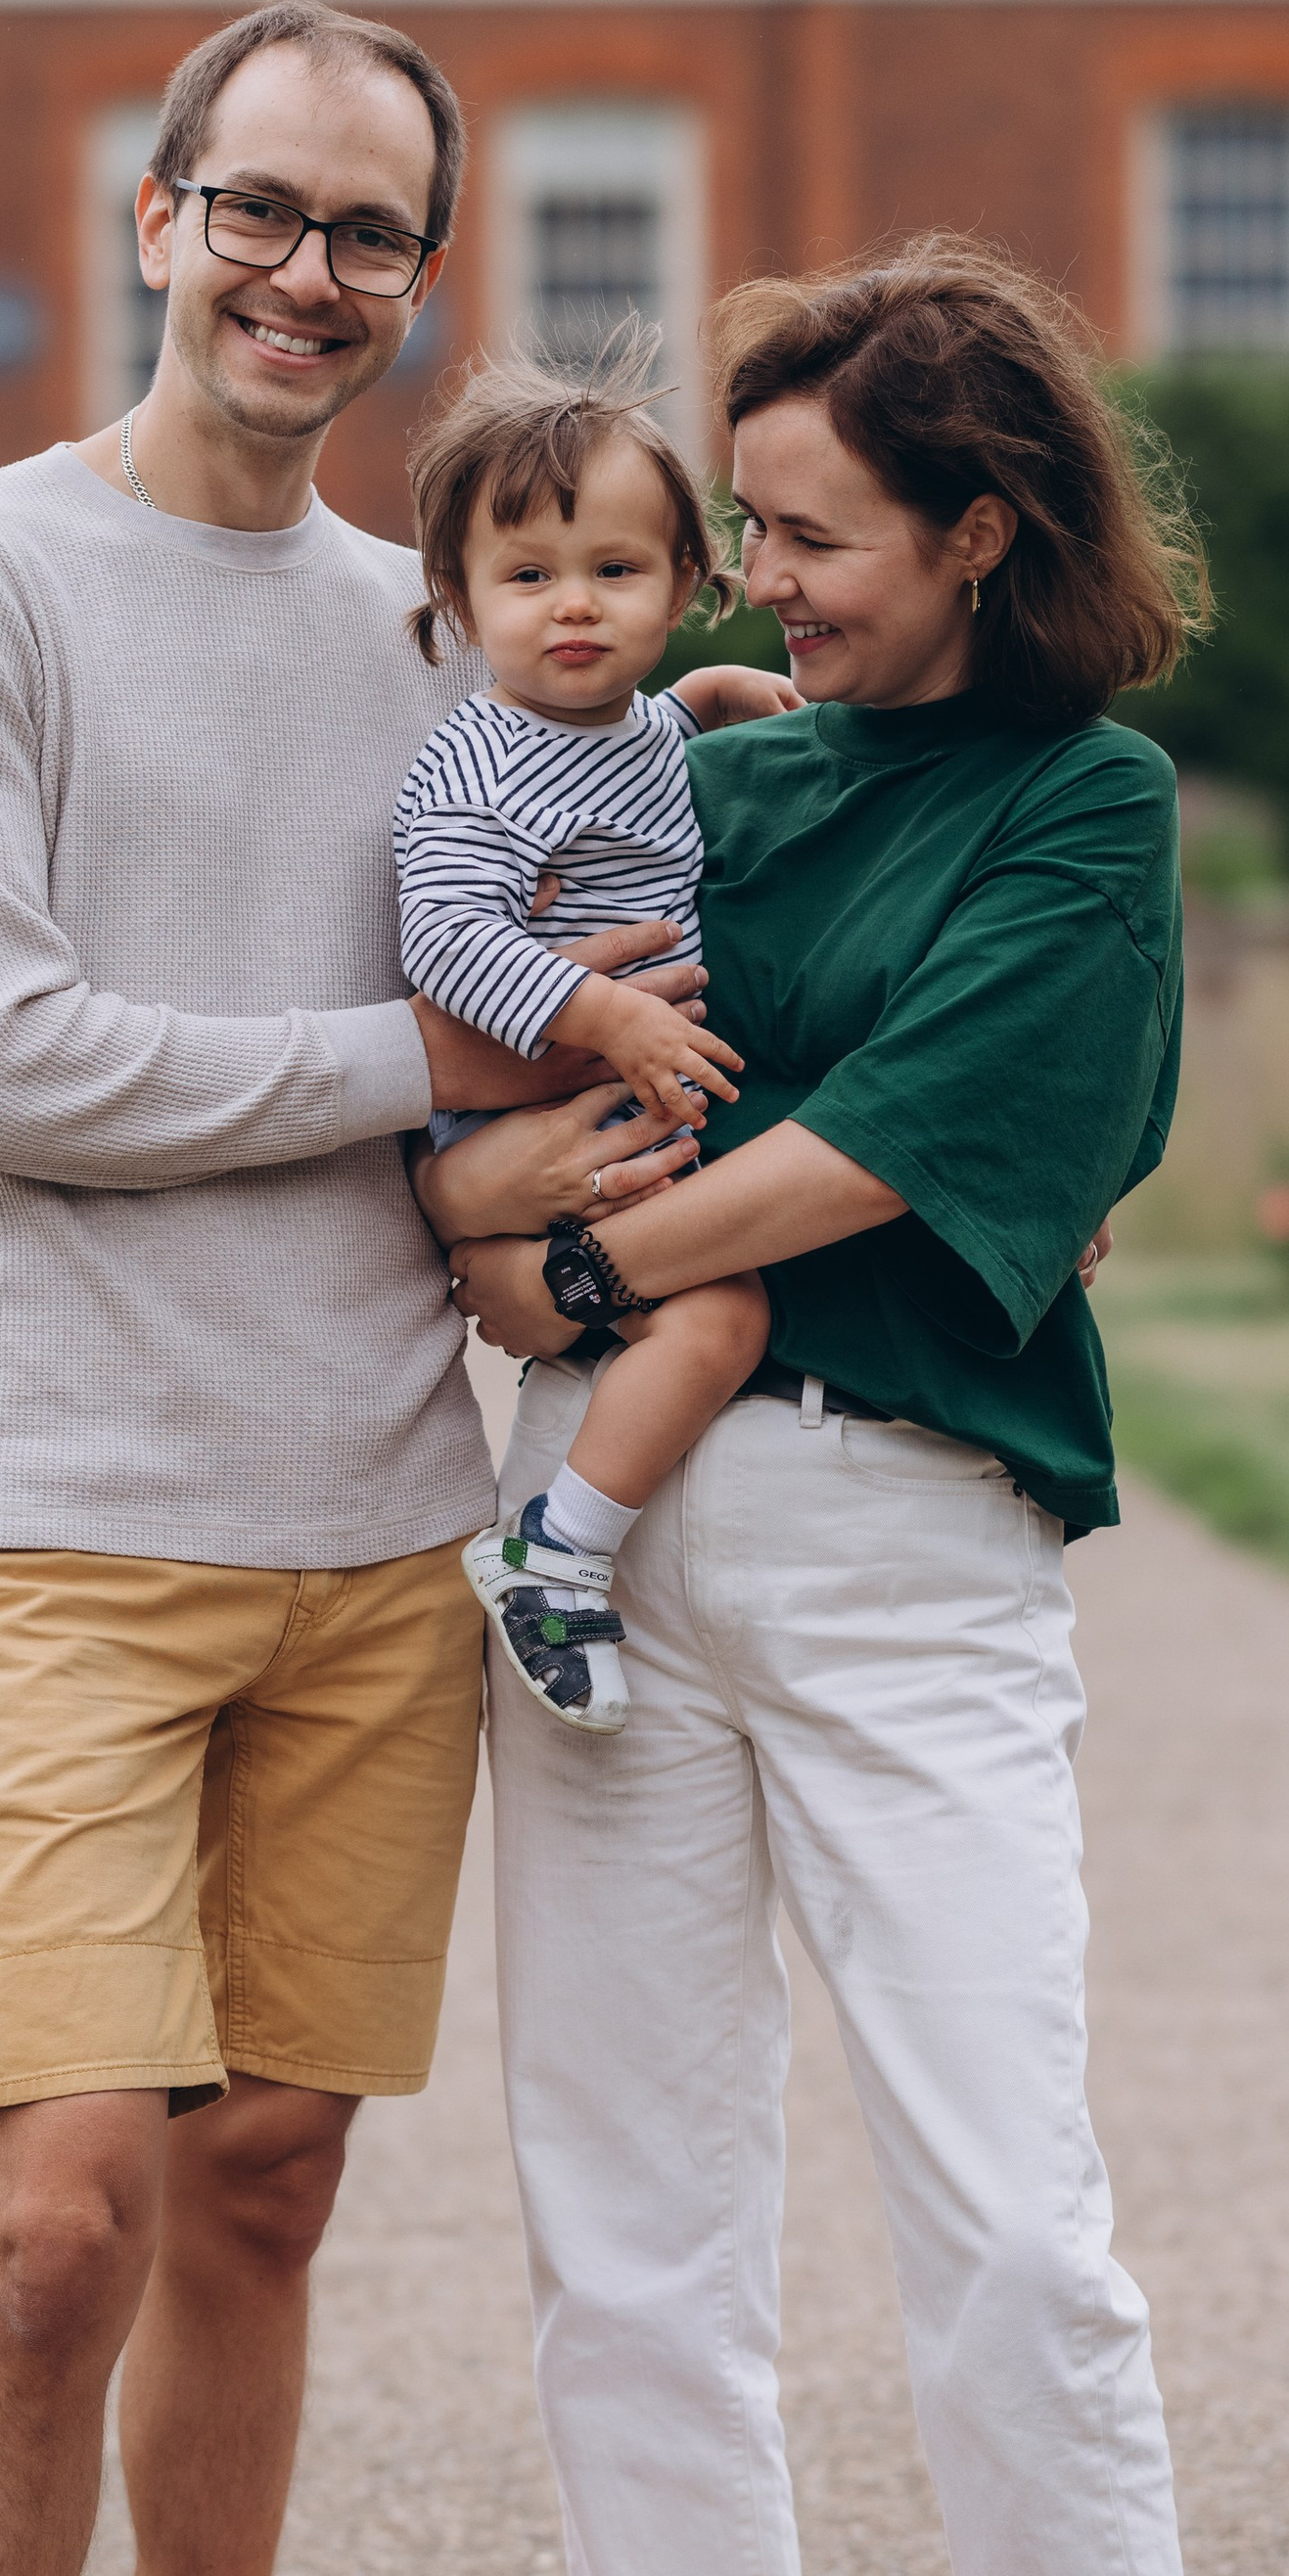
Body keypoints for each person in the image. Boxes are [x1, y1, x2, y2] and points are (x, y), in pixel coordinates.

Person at [0, 0, 700, 2576]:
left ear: (419, 280)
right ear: (159, 207)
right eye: (269, 208)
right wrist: (436, 1065)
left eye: (377, 233)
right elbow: (15, 1062)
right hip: (62, 1513)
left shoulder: (431, 620)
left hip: (368, 1512)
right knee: (53, 2217)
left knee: (271, 2186)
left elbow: (591, 875)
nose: (314, 271)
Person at [437, 236, 1289, 2576]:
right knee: (631, 2210)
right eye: (750, 534)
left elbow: (912, 1143)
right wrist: (538, 1243)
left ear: (979, 523)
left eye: (808, 534)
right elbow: (457, 1142)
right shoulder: (700, 780)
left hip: (911, 1549)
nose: (750, 584)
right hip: (613, 1555)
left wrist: (586, 1261)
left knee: (1018, 2219)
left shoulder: (1087, 807)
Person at [394, 341, 798, 1729]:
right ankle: (556, 1550)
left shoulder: (634, 728)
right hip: (534, 1115)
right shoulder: (469, 760)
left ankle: (573, 1529)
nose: (573, 606)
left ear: (686, 588)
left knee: (717, 1292)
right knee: (724, 1310)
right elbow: (446, 939)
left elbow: (621, 770)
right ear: (459, 596)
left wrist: (702, 702)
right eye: (528, 577)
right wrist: (607, 1012)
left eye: (616, 574)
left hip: (632, 1100)